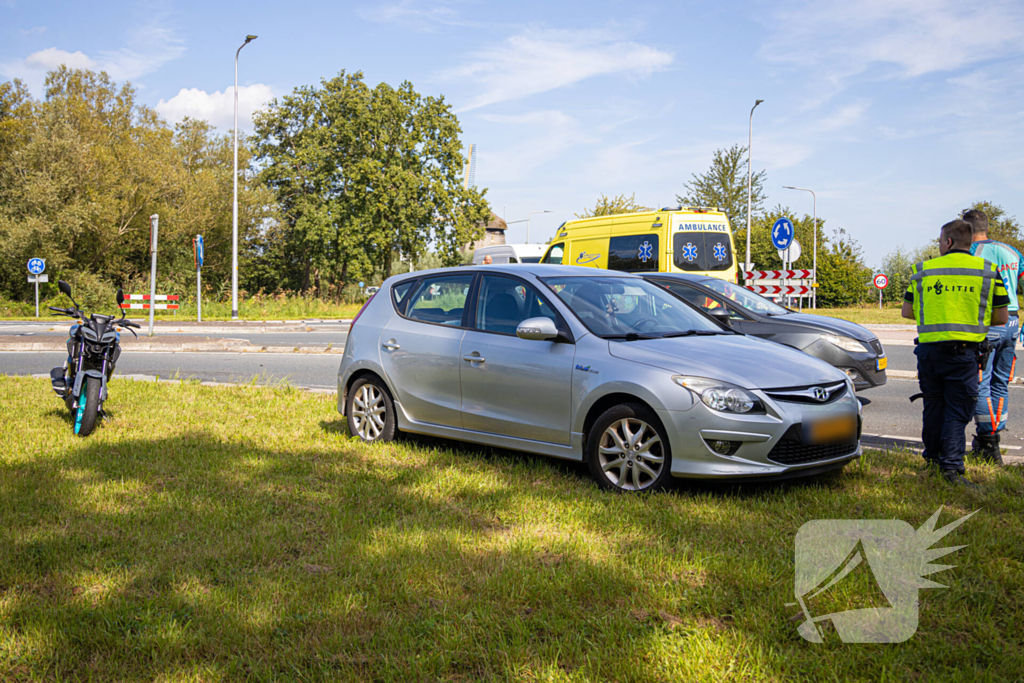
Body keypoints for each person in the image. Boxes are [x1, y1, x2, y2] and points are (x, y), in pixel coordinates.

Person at [902, 219, 1009, 486]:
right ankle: (951, 468)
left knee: (933, 405)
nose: (940, 246)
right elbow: (1001, 317)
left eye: (940, 241)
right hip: (964, 354)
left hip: (928, 352)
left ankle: (932, 459)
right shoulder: (988, 271)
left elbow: (907, 312)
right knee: (958, 410)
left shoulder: (923, 270)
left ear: (948, 242)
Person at [966, 208, 1024, 464]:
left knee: (981, 383)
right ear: (987, 227)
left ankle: (987, 441)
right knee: (1001, 382)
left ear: (967, 229)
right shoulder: (1012, 252)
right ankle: (995, 435)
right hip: (1012, 320)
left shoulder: (971, 253)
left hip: (989, 321)